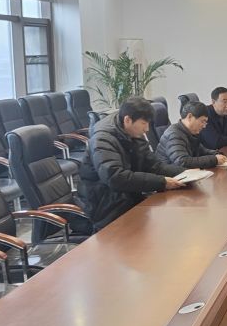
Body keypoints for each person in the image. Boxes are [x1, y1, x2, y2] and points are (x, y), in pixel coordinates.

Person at [77, 97, 186, 231]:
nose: (147, 129)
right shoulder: (102, 139)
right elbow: (115, 177)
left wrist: (185, 173)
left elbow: (154, 165)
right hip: (103, 201)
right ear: (128, 120)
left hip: (125, 195)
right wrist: (162, 182)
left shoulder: (132, 133)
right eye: (143, 123)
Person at [156, 101, 227, 169]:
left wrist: (217, 154)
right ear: (190, 117)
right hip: (171, 176)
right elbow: (182, 161)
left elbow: (201, 150)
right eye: (202, 121)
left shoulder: (190, 132)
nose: (204, 126)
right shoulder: (174, 134)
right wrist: (214, 160)